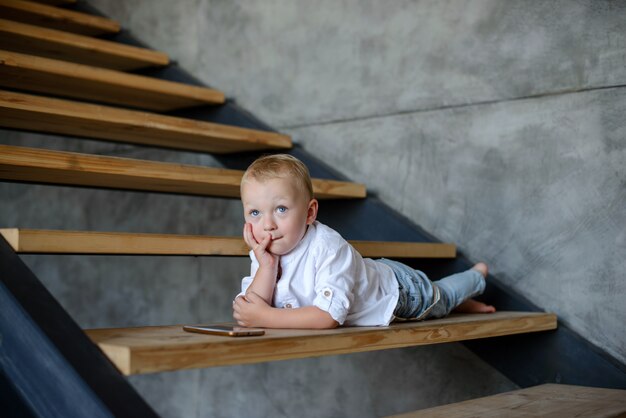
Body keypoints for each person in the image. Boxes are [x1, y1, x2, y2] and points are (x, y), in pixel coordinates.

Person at [233, 154, 495, 329]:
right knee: (443, 302)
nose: (267, 224)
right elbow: (252, 307)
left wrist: (266, 317)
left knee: (443, 298)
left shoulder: (327, 246)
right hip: (369, 276)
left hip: (399, 292)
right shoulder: (264, 252)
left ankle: (475, 277)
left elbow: (328, 317)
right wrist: (266, 266)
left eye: (280, 209)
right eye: (255, 213)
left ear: (310, 213)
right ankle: (462, 302)